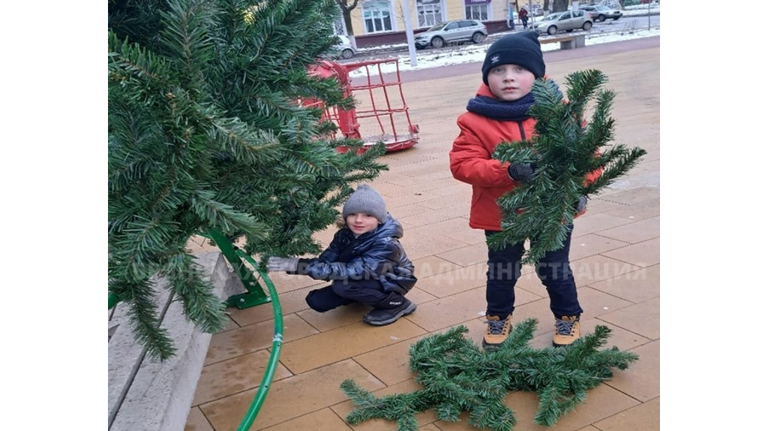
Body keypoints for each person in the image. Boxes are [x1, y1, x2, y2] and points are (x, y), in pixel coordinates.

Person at [448, 32, 599, 349]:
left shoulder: (561, 114)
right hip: (501, 215)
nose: (508, 78)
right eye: (498, 71)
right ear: (487, 77)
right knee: (502, 271)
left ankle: (568, 317)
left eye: (519, 70)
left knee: (555, 269)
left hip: (551, 212)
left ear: (538, 74)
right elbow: (462, 164)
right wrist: (507, 171)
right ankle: (498, 317)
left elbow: (588, 156)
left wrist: (578, 187)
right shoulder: (474, 120)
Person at [266, 184, 418, 326]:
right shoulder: (345, 234)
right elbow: (327, 259)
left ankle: (397, 304)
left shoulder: (386, 243)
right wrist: (293, 264)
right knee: (317, 301)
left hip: (392, 279)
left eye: (367, 215)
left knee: (343, 286)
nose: (358, 220)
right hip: (364, 275)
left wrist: (300, 266)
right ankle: (360, 293)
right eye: (352, 214)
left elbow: (357, 270)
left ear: (379, 219)